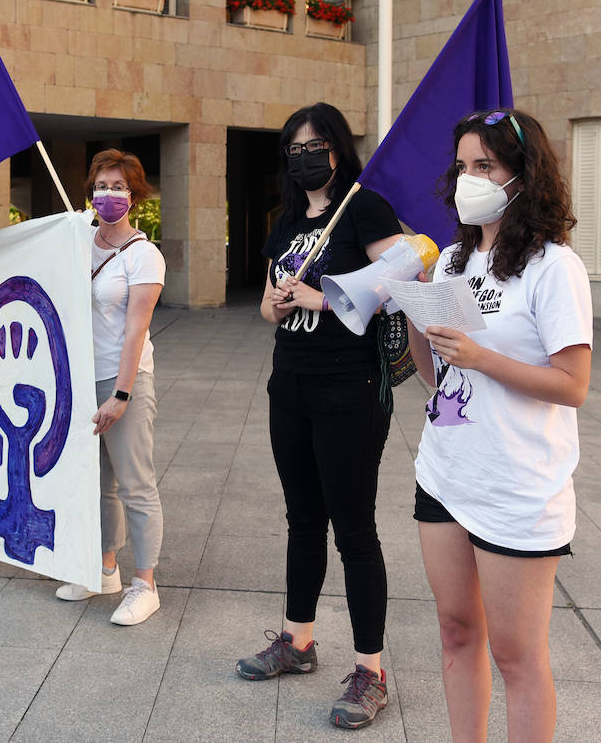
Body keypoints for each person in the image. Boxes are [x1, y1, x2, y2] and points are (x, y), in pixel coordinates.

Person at [406, 109, 592, 743]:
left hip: (518, 487)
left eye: (484, 166)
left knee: (518, 658)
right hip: (446, 473)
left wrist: (482, 356)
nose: (469, 180)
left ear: (523, 175)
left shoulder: (553, 266)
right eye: (462, 167)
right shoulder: (455, 258)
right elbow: (436, 378)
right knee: (456, 632)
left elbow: (573, 385)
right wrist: (415, 308)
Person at [236, 103, 402, 730]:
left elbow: (401, 272)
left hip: (349, 388)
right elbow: (265, 305)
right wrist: (276, 306)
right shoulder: (284, 222)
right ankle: (296, 640)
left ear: (337, 148)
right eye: (294, 148)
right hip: (292, 385)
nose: (305, 156)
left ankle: (370, 671)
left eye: (316, 144)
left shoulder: (364, 207)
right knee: (302, 519)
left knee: (354, 529)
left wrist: (323, 296)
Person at [53, 149, 166, 627]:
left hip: (125, 379)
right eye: (102, 186)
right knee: (98, 483)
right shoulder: (77, 240)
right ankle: (105, 569)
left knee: (135, 483)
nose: (109, 195)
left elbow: (135, 331)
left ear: (134, 195)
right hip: (80, 379)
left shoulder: (145, 254)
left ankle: (146, 584)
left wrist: (120, 395)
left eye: (119, 187)